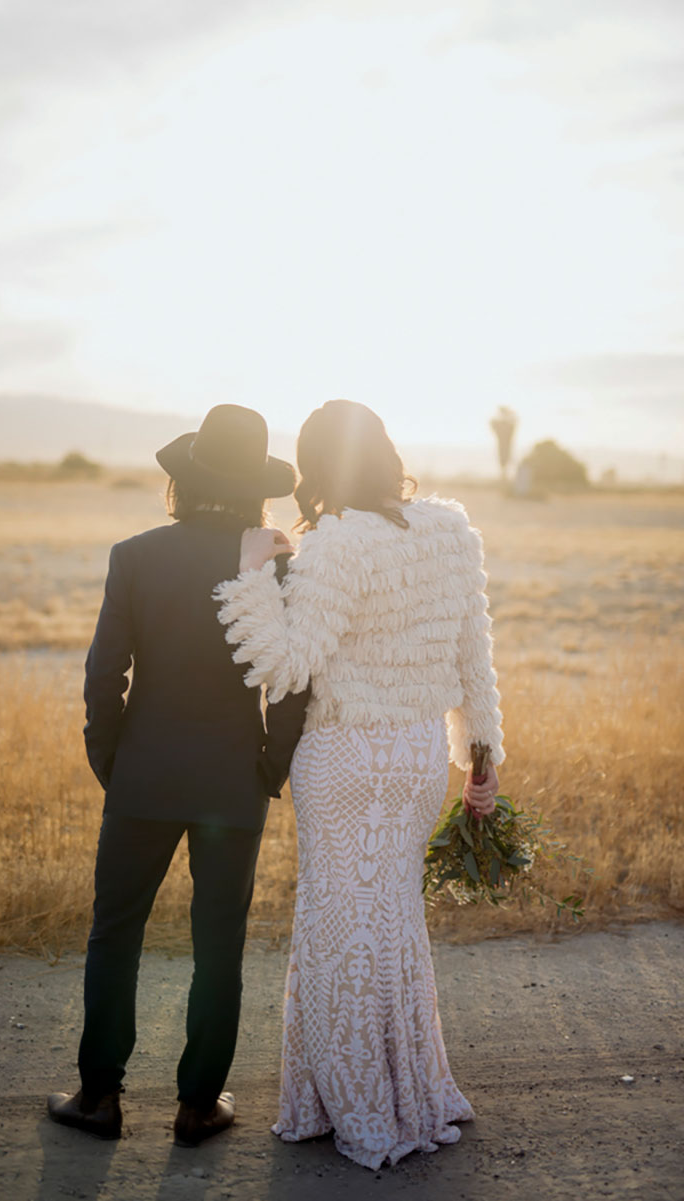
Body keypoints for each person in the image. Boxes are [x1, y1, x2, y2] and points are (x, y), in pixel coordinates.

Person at [215, 399, 504, 1170]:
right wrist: (484, 759)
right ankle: (409, 1086)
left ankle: (355, 1106)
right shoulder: (451, 533)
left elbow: (283, 665)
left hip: (343, 756)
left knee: (338, 930)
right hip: (414, 757)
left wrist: (249, 577)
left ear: (315, 468)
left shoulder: (335, 545)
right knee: (395, 927)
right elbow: (476, 656)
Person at [48, 405, 308, 1144]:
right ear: (256, 488)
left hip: (144, 776)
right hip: (234, 780)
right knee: (218, 942)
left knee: (116, 933)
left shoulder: (135, 555)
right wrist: (271, 763)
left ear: (183, 482)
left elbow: (105, 673)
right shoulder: (277, 563)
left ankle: (99, 1096)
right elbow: (291, 680)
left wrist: (111, 759)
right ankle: (198, 1104)